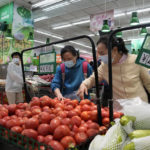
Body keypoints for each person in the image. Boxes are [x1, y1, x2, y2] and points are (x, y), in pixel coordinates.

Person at [78, 35, 150, 102]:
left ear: (115, 50)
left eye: (102, 53)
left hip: (140, 105)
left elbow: (148, 83)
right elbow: (93, 79)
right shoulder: (104, 66)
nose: (100, 56)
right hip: (120, 109)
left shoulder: (135, 60)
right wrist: (84, 84)